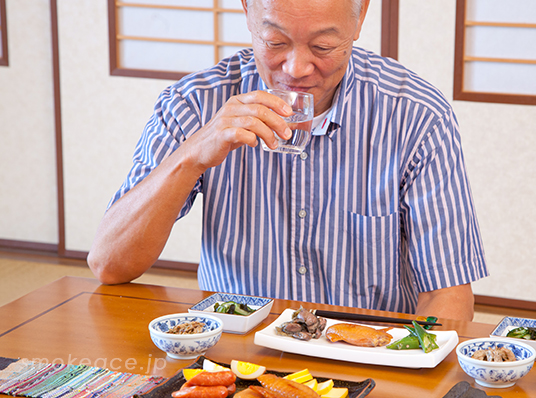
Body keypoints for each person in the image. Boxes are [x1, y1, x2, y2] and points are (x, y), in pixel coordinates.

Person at [88, 0, 488, 321]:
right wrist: (192, 155)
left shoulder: (416, 115)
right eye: (275, 43)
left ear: (361, 14)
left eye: (323, 47)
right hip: (237, 352)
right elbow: (109, 265)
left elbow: (447, 294)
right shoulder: (194, 104)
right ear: (246, 10)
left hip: (370, 354)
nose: (296, 69)